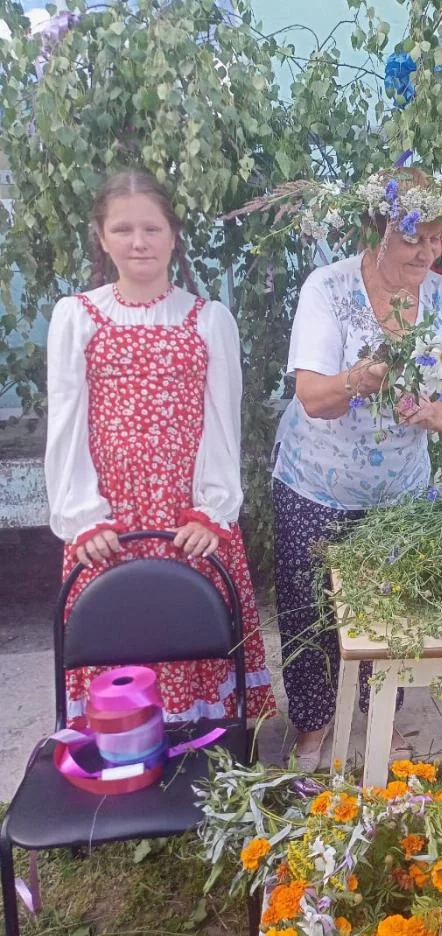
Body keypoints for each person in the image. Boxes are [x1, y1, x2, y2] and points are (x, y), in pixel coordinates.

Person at [272, 166, 442, 771]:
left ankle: (381, 723)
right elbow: (313, 396)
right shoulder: (329, 288)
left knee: (390, 613)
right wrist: (356, 380)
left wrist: (438, 413)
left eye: (436, 238)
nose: (427, 252)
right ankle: (313, 729)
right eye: (414, 237)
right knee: (310, 612)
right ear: (378, 229)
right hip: (316, 482)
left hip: (399, 492)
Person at [45, 169, 275, 723]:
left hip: (185, 518)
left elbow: (222, 423)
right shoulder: (76, 317)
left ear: (174, 235)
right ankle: (125, 747)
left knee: (190, 626)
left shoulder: (208, 320)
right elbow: (67, 424)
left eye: (151, 228)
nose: (138, 242)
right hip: (111, 521)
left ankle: (204, 748)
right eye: (122, 230)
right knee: (118, 635)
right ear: (102, 238)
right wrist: (83, 519)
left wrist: (213, 512)